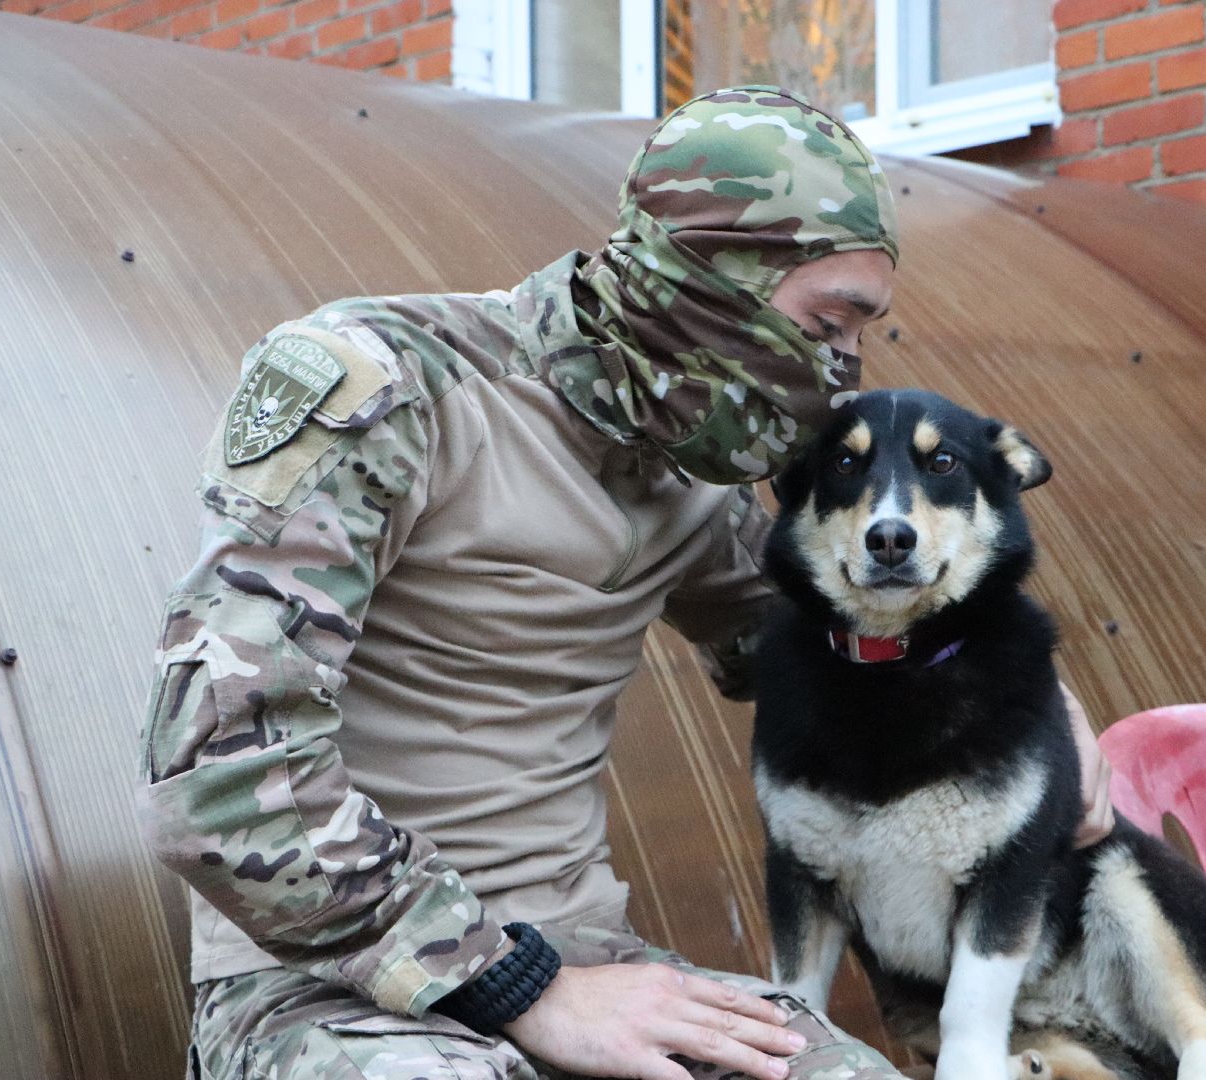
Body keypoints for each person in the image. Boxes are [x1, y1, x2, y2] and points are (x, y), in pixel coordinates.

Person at [138, 85, 1112, 1080]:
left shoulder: (690, 472)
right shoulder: (391, 390)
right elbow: (218, 775)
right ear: (707, 279)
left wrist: (1040, 705)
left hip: (591, 961)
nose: (840, 371)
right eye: (827, 323)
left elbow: (855, 637)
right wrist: (523, 988)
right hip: (334, 983)